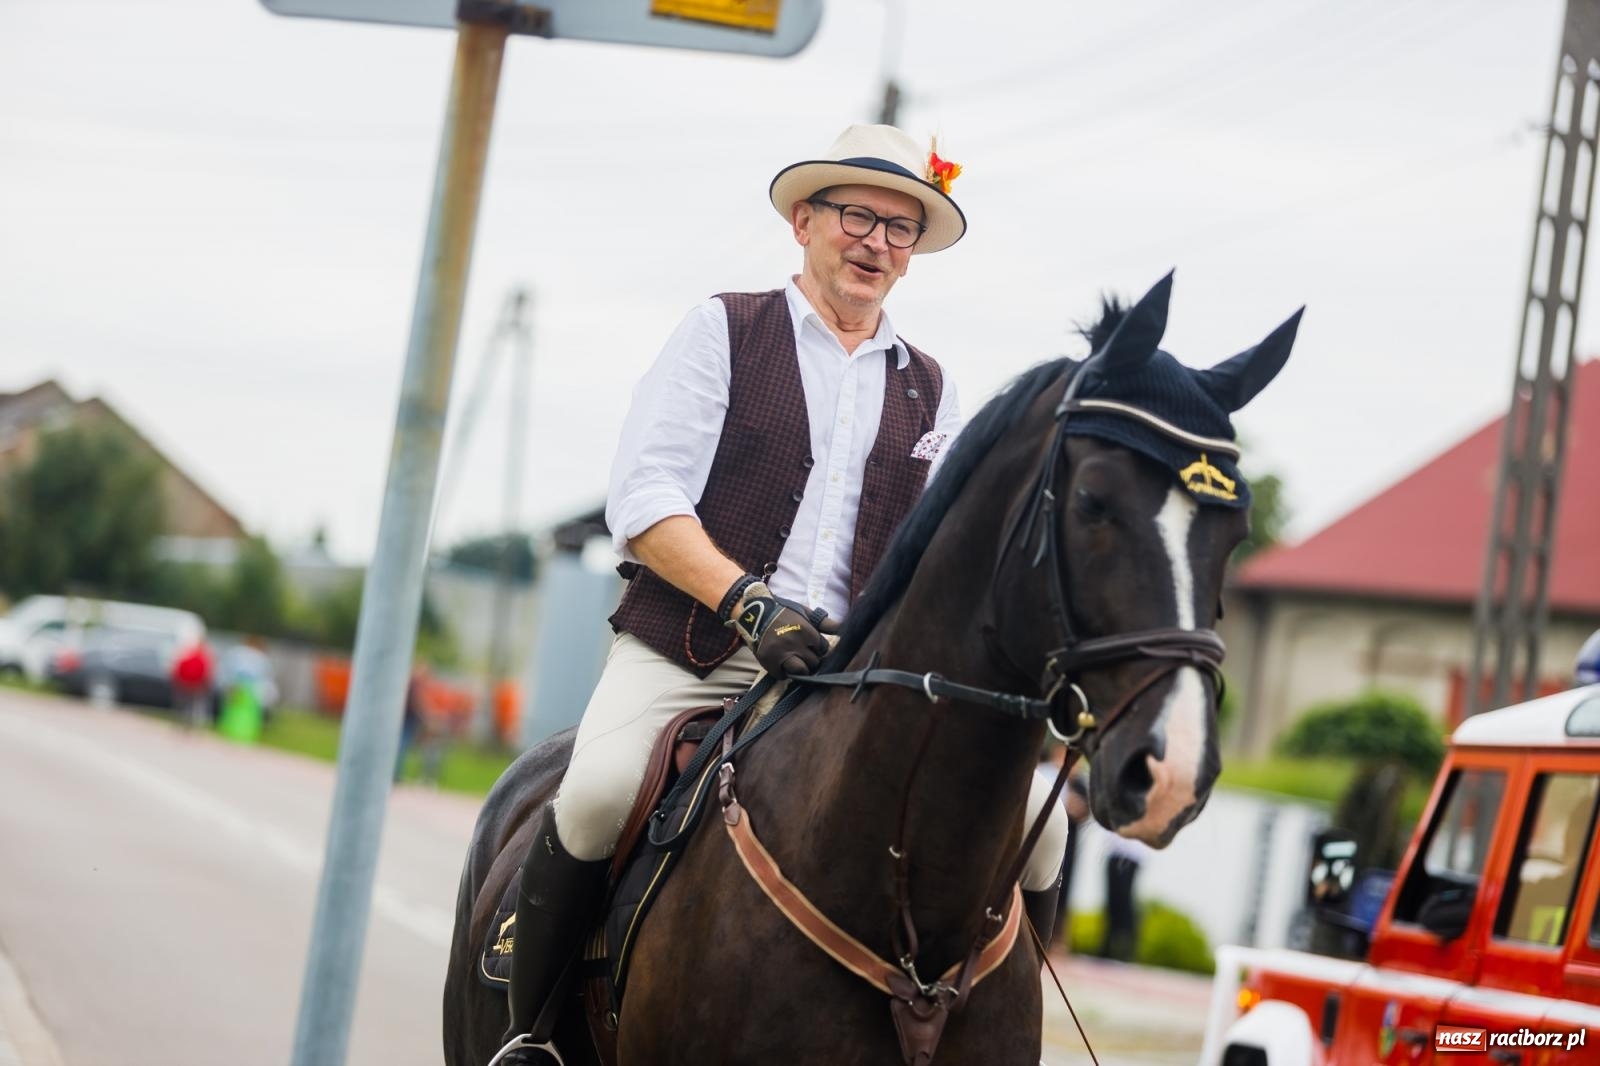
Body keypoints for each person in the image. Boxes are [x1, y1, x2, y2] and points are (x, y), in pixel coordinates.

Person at [495, 124, 1070, 1065]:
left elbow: (951, 559)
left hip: (854, 682)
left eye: (900, 229)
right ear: (805, 220)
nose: (877, 242)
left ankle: (1004, 1025)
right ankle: (533, 1039)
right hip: (694, 649)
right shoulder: (724, 327)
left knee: (1036, 836)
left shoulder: (933, 389)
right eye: (858, 216)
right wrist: (750, 604)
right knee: (596, 794)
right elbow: (643, 499)